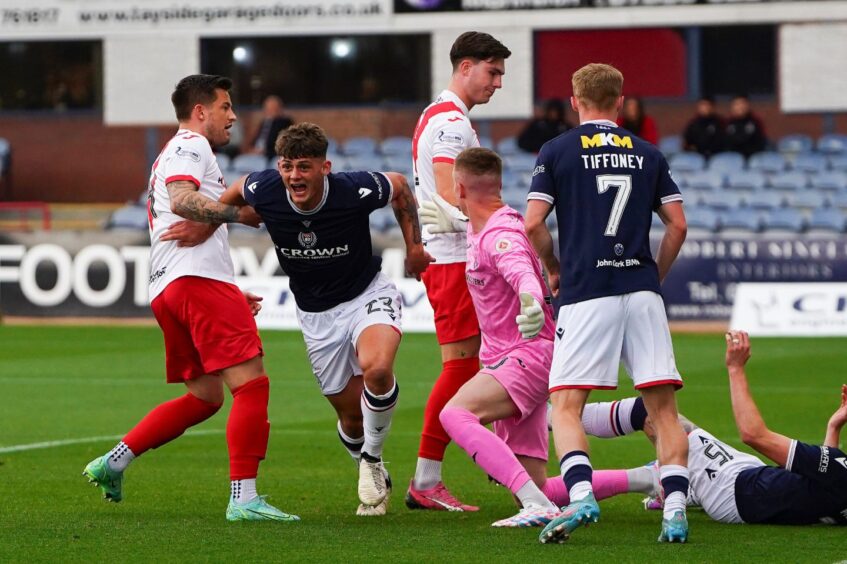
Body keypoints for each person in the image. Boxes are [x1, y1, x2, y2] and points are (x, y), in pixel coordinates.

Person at [163, 122, 433, 516]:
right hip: (315, 314)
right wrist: (207, 224)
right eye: (287, 166)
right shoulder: (266, 188)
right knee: (350, 415)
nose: (294, 176)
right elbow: (238, 189)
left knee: (377, 370)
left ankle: (372, 462)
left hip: (366, 294)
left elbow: (400, 187)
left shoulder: (354, 189)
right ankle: (364, 457)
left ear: (325, 168)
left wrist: (414, 248)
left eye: (304, 167)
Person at [82, 74, 297, 522]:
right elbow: (182, 200)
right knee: (252, 384)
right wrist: (239, 215)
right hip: (193, 283)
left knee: (205, 397)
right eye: (225, 107)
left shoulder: (174, 152)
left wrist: (228, 288)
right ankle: (244, 498)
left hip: (171, 286)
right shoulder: (190, 146)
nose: (233, 116)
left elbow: (177, 214)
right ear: (200, 112)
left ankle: (113, 462)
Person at [421, 147, 661, 528]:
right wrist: (453, 218)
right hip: (523, 356)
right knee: (534, 482)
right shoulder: (489, 221)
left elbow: (519, 271)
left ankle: (536, 507)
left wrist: (530, 300)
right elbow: (480, 228)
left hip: (524, 356)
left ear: (459, 187)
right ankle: (650, 477)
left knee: (455, 413)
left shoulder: (501, 237)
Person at [525, 63, 690, 544]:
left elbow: (534, 221)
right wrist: (652, 278)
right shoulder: (648, 152)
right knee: (662, 409)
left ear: (574, 101)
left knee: (566, 407)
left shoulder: (556, 151)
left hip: (585, 290)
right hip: (640, 290)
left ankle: (580, 498)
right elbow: (677, 225)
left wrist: (553, 267)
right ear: (620, 102)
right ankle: (675, 508)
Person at [585, 331, 847, 527]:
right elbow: (827, 481)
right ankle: (681, 487)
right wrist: (833, 426)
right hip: (749, 479)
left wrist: (735, 368)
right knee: (670, 449)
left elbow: (753, 434)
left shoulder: (840, 470)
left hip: (731, 488)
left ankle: (555, 419)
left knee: (650, 412)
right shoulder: (839, 475)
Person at [407, 30, 512, 513]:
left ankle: (495, 455)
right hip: (453, 259)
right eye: (492, 72)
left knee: (483, 364)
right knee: (465, 367)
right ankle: (428, 477)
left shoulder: (439, 116)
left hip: (449, 255)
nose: (497, 84)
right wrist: (509, 224)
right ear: (465, 66)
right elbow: (454, 194)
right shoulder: (450, 124)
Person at [249, 95, 294, 160]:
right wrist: (252, 149)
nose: (269, 110)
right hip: (257, 154)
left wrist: (265, 151)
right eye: (267, 108)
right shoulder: (264, 122)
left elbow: (283, 143)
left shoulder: (285, 122)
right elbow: (255, 140)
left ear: (279, 108)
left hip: (272, 156)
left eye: (272, 108)